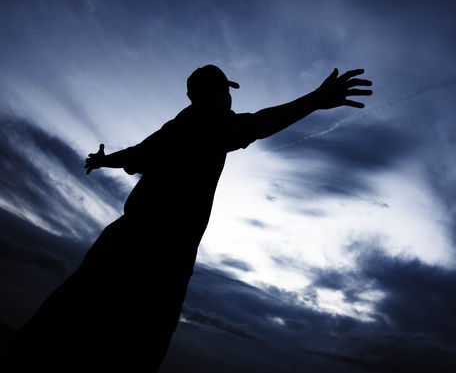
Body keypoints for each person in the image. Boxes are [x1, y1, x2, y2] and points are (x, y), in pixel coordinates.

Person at [3, 65, 372, 372]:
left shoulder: (176, 127)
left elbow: (135, 154)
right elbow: (260, 123)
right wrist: (315, 100)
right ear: (216, 94)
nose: (230, 99)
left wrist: (102, 160)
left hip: (124, 240)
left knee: (64, 321)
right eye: (225, 92)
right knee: (135, 348)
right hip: (164, 256)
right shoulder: (210, 124)